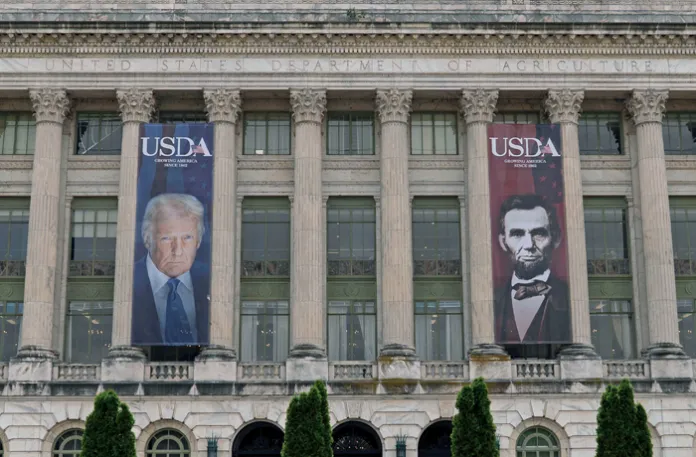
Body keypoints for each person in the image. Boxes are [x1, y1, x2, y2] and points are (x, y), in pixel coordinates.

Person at [131, 193, 210, 346]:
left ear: (198, 241)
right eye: (166, 238)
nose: (178, 250)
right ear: (147, 239)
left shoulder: (213, 279)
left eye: (187, 238)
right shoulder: (128, 279)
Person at [494, 194, 570, 344]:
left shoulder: (570, 295)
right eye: (517, 234)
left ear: (555, 238)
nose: (529, 245)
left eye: (538, 234)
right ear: (503, 242)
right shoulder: (492, 299)